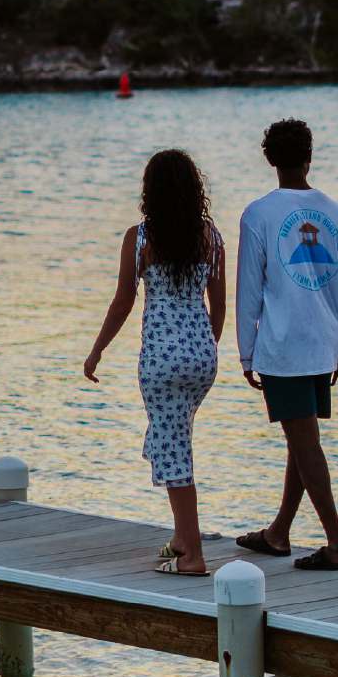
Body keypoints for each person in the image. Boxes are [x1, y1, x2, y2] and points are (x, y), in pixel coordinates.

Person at [83, 149, 226, 576]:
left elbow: (124, 302)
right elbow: (218, 305)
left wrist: (97, 350)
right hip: (202, 357)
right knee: (174, 439)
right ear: (193, 189)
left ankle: (194, 556)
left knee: (174, 448)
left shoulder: (139, 237)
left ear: (150, 191)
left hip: (161, 361)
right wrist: (206, 349)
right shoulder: (210, 236)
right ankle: (181, 537)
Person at [235, 118, 338, 570]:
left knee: (304, 442)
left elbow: (250, 290)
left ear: (270, 158)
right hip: (323, 341)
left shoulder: (258, 214)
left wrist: (246, 352)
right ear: (310, 156)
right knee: (300, 435)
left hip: (284, 344)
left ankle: (337, 545)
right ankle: (279, 533)